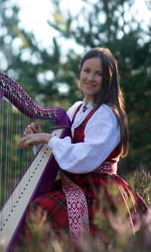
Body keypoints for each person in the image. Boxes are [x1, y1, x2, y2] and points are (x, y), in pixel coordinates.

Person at [18, 47, 149, 244]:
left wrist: (48, 139)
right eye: (87, 71)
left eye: (98, 74)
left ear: (108, 80)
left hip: (98, 191)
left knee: (40, 210)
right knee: (36, 209)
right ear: (80, 72)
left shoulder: (107, 115)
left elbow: (86, 156)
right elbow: (63, 153)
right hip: (74, 185)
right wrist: (40, 141)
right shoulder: (75, 110)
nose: (90, 78)